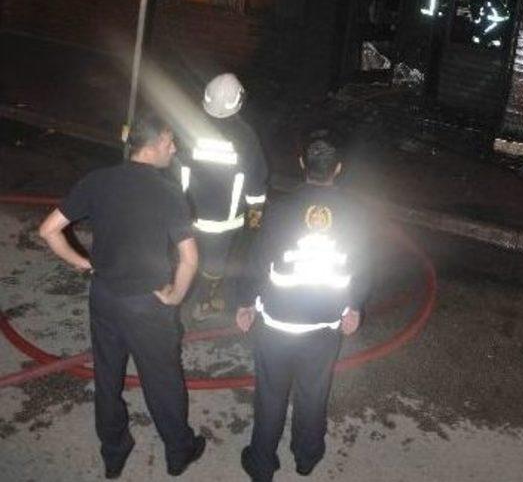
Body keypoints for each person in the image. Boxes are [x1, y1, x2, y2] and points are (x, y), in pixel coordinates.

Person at [38, 115, 206, 479]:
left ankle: (114, 451)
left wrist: (85, 264)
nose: (174, 149)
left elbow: (49, 230)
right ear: (153, 145)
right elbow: (190, 258)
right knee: (162, 379)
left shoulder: (98, 180)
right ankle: (178, 451)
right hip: (148, 305)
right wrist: (176, 296)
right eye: (169, 142)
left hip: (104, 296)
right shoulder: (167, 192)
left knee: (108, 376)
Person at [235, 136, 370, 482]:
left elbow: (255, 262)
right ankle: (306, 457)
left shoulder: (278, 211)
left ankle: (262, 463)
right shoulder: (355, 214)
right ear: (338, 170)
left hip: (277, 323)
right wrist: (353, 307)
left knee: (270, 394)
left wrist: (246, 303)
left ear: (301, 165)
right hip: (323, 326)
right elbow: (363, 266)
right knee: (313, 393)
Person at [180, 72, 268, 320]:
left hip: (185, 214)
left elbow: (172, 167)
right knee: (214, 264)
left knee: (184, 256)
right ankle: (203, 304)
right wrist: (254, 225)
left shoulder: (186, 125)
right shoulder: (246, 137)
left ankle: (175, 296)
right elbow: (256, 187)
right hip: (223, 223)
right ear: (239, 101)